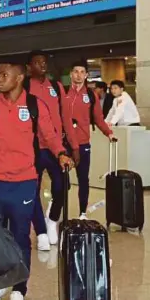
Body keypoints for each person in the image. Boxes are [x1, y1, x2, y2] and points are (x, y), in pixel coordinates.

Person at [0, 61, 72, 300]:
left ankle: (19, 287)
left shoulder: (34, 105)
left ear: (19, 77)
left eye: (4, 75)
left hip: (24, 182)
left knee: (21, 236)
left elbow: (50, 135)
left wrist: (62, 153)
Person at [24, 50, 77, 251]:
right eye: (37, 63)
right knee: (33, 190)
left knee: (62, 186)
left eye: (44, 62)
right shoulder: (25, 87)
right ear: (29, 67)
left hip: (56, 147)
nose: (42, 65)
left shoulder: (56, 87)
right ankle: (41, 231)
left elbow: (65, 117)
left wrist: (73, 146)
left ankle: (52, 219)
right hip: (34, 148)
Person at [61, 61, 115, 220]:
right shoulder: (63, 92)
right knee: (60, 181)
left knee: (83, 179)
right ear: (71, 74)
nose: (78, 75)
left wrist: (109, 133)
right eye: (75, 71)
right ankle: (56, 211)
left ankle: (82, 213)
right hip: (63, 144)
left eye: (82, 72)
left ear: (86, 75)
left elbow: (98, 119)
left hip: (83, 143)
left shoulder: (91, 96)